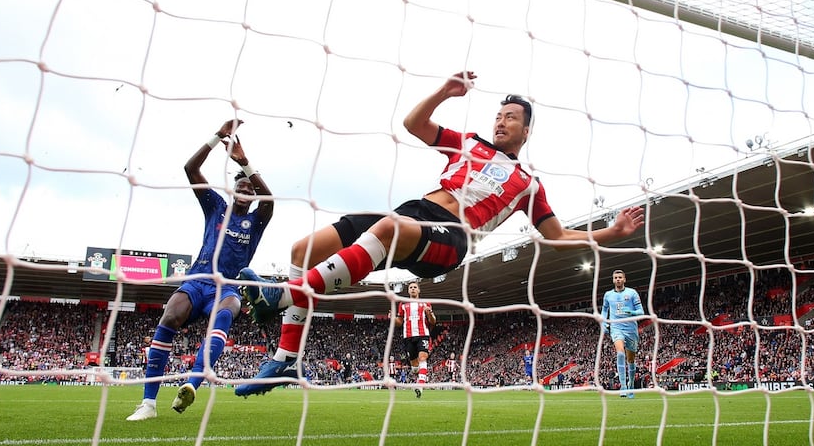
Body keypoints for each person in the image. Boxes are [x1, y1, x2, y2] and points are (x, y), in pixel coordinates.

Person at [234, 71, 645, 397]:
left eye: (511, 118)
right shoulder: (469, 143)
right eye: (499, 116)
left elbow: (556, 235)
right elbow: (414, 124)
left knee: (388, 229)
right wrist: (444, 92)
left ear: (526, 132)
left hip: (452, 239)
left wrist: (611, 232)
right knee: (304, 248)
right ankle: (285, 357)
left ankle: (281, 297)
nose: (502, 121)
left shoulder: (527, 183)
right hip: (416, 213)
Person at [126, 119, 274, 420]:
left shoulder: (257, 220)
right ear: (233, 192)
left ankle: (191, 386)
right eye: (240, 187)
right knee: (169, 315)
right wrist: (216, 137)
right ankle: (148, 404)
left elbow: (269, 199)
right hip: (197, 280)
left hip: (227, 287)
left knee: (228, 309)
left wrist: (245, 163)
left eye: (249, 188)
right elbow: (190, 170)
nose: (245, 190)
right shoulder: (216, 207)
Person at [601, 269, 644, 399]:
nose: (618, 279)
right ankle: (623, 386)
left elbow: (641, 311)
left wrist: (632, 312)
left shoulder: (632, 293)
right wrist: (603, 322)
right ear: (613, 280)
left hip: (631, 329)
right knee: (620, 353)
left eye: (620, 277)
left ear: (624, 279)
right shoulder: (608, 295)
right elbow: (604, 310)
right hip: (616, 328)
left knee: (630, 359)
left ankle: (631, 384)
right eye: (616, 277)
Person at [394, 281, 436, 398]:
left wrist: (430, 313)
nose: (413, 289)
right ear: (408, 291)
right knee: (414, 367)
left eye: (415, 287)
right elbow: (399, 322)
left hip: (423, 334)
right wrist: (392, 318)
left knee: (423, 357)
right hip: (408, 337)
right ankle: (417, 372)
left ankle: (420, 385)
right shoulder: (403, 304)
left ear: (418, 290)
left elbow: (433, 321)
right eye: (411, 287)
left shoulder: (425, 303)